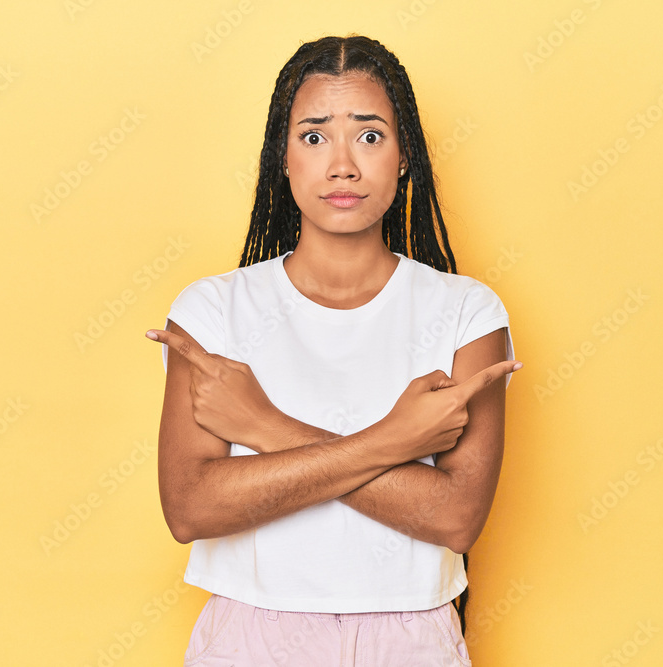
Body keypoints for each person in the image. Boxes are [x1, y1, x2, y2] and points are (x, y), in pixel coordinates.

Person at [146, 34, 521, 666]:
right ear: (282, 157)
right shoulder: (213, 310)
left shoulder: (465, 313)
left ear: (404, 158)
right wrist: (394, 442)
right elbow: (190, 507)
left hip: (410, 641)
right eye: (314, 136)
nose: (342, 165)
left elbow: (456, 517)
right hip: (250, 639)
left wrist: (263, 426)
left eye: (369, 135)